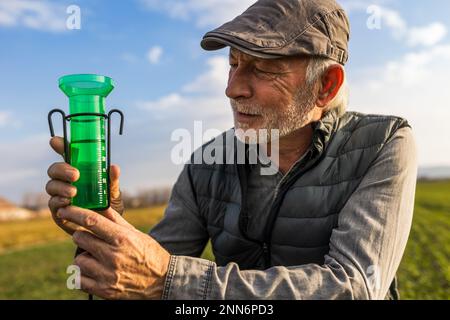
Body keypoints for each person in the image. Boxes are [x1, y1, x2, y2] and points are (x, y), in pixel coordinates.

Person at [45, 0, 418, 299]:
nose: (233, 88)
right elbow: (134, 276)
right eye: (234, 64)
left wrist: (171, 281)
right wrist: (103, 222)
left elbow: (353, 288)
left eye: (263, 68)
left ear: (325, 85)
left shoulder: (383, 143)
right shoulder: (205, 166)